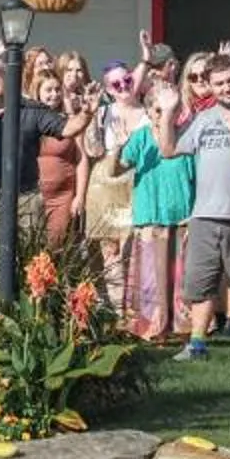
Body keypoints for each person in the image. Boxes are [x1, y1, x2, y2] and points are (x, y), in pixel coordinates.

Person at [155, 55, 230, 364]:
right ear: (211, 86)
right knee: (199, 282)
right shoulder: (204, 118)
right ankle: (197, 344)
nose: (226, 87)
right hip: (205, 213)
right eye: (219, 83)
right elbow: (168, 150)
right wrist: (167, 113)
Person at [120, 64, 195, 340]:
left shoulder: (187, 135)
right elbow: (120, 165)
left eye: (170, 110)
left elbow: (196, 176)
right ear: (149, 111)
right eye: (158, 110)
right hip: (150, 214)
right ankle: (152, 327)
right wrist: (117, 148)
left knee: (181, 276)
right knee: (151, 276)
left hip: (182, 215)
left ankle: (182, 327)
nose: (163, 115)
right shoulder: (141, 138)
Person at [82, 62, 140, 289]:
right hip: (106, 185)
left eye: (127, 80)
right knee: (110, 253)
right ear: (109, 90)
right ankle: (114, 314)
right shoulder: (104, 112)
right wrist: (93, 114)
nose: (124, 86)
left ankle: (133, 309)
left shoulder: (149, 111)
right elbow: (93, 150)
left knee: (133, 249)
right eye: (116, 84)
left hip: (135, 185)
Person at [31, 71, 88, 248]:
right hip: (32, 196)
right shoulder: (28, 118)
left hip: (61, 197)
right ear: (37, 91)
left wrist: (80, 196)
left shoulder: (70, 122)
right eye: (49, 90)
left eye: (57, 89)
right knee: (31, 250)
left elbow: (81, 159)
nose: (54, 94)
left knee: (56, 248)